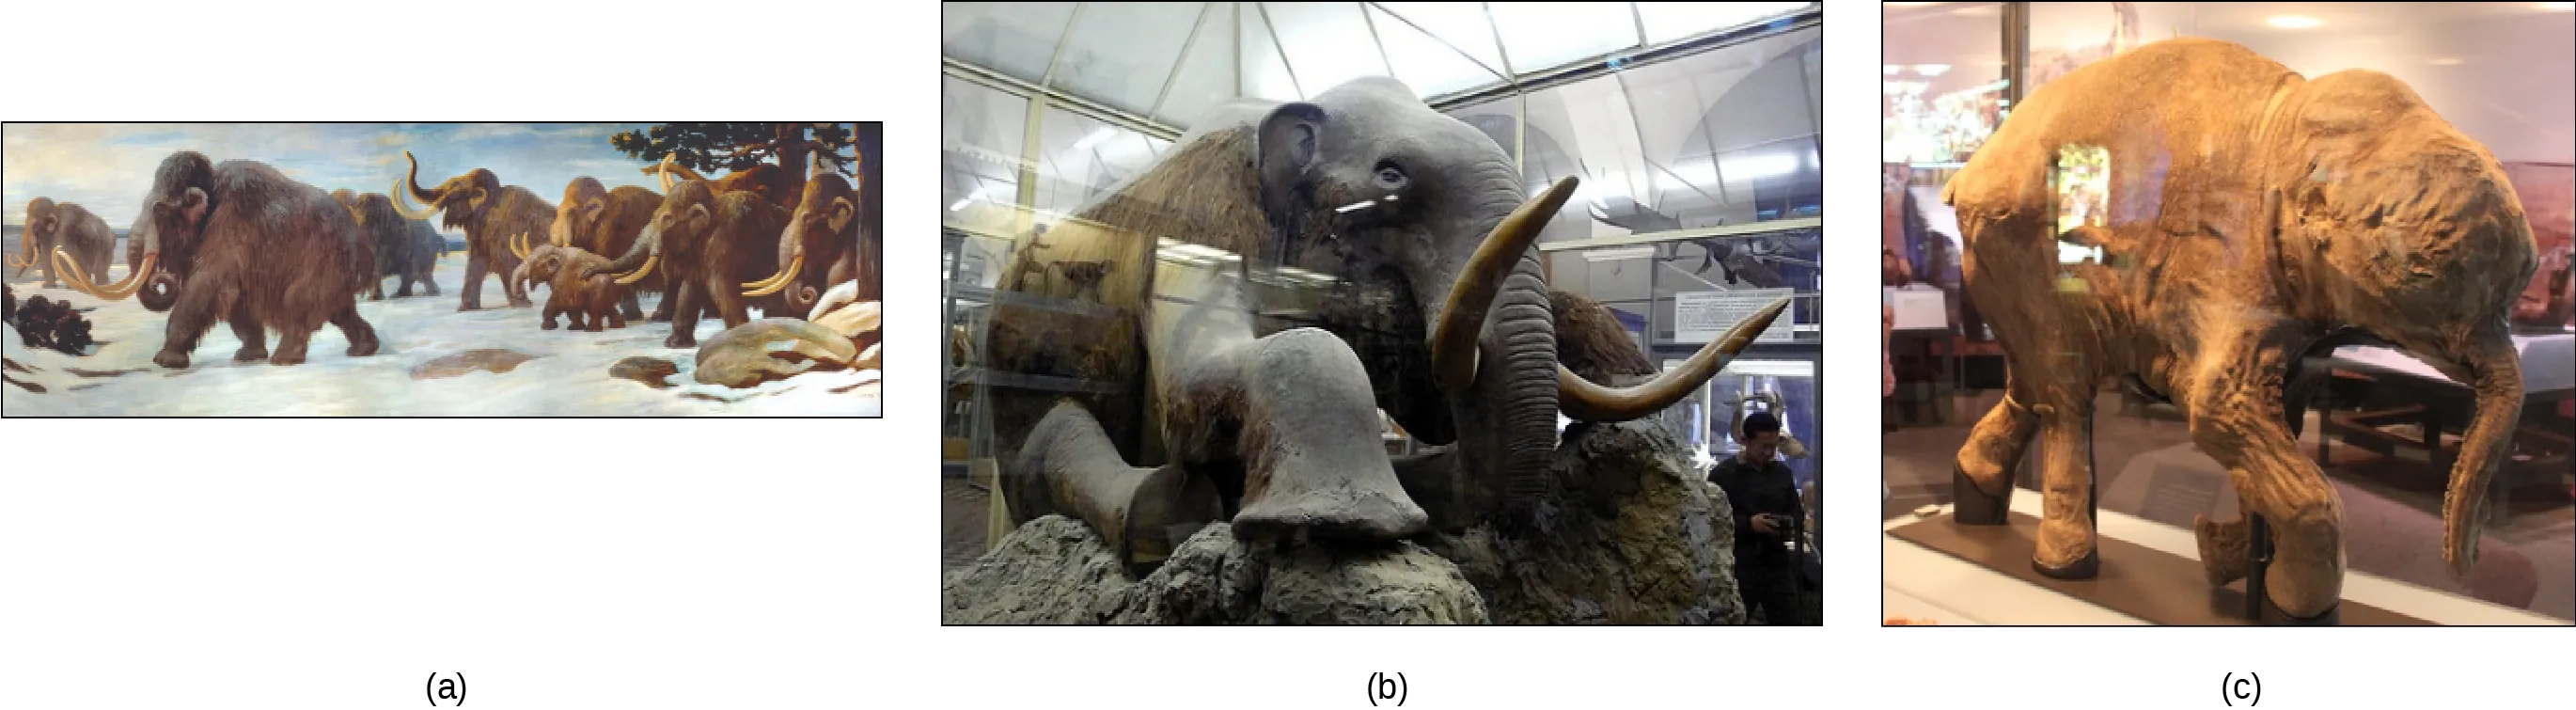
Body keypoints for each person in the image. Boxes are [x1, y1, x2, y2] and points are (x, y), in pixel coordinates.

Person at [1710, 411, 1810, 625]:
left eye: (1773, 446)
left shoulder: (1782, 473)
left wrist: (1789, 523)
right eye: (1762, 446)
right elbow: (1713, 521)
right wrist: (1749, 524)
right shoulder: (1723, 475)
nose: (1768, 452)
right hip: (1740, 566)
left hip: (1777, 565)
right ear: (1745, 441)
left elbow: (1795, 510)